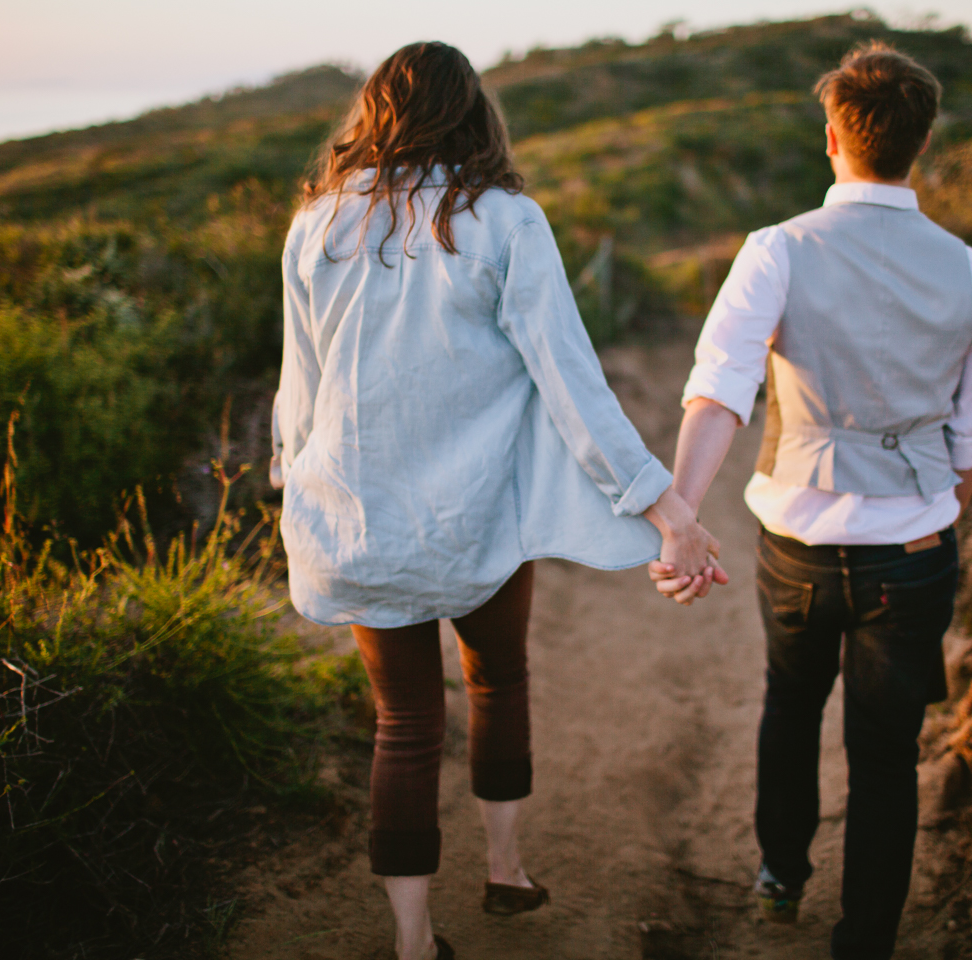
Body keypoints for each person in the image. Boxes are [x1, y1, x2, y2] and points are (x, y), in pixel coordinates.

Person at [270, 42, 724, 960]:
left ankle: (411, 942)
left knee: (402, 724)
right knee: (498, 680)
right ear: (471, 112)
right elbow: (571, 382)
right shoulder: (503, 218)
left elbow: (299, 390)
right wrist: (665, 508)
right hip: (475, 520)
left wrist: (290, 487)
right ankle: (506, 870)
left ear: (374, 114)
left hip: (360, 522)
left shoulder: (315, 225)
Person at [650, 42, 972, 960]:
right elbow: (970, 447)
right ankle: (866, 943)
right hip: (916, 554)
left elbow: (720, 390)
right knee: (887, 756)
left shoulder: (776, 251)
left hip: (797, 547)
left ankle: (779, 877)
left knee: (790, 705)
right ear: (919, 142)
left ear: (833, 137)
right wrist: (925, 513)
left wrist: (680, 517)